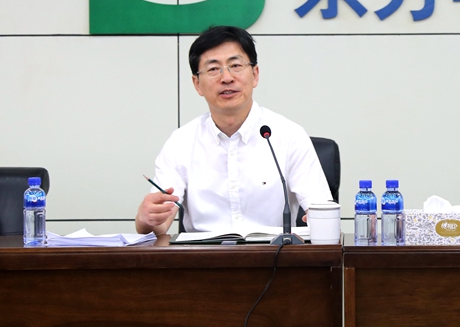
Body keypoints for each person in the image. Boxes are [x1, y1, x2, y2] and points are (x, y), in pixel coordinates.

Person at [136, 26, 333, 236]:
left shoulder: (289, 136)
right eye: (213, 69)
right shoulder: (181, 142)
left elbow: (322, 211)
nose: (227, 78)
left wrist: (320, 219)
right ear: (197, 84)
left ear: (255, 75)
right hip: (203, 255)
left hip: (274, 254)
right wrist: (146, 219)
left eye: (236, 65)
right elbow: (158, 227)